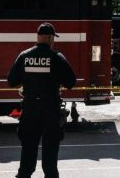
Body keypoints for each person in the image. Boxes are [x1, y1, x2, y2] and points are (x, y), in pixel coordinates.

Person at [7, 23, 76, 178]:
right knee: (50, 157)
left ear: (38, 37)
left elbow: (11, 81)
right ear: (51, 38)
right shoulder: (57, 57)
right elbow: (71, 82)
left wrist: (26, 83)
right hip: (50, 110)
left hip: (30, 109)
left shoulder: (24, 56)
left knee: (27, 155)